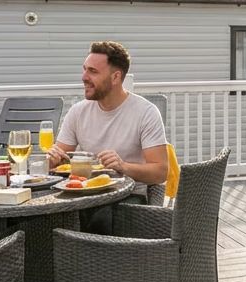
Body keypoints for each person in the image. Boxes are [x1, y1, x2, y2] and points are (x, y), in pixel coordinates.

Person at [46, 41, 168, 201]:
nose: (84, 77)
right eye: (84, 69)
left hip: (128, 198)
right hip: (84, 194)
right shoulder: (77, 111)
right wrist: (52, 160)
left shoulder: (146, 112)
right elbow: (61, 160)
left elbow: (160, 172)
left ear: (115, 77)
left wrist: (123, 167)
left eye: (93, 71)